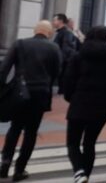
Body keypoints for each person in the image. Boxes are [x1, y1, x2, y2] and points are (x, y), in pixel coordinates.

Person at [63, 26, 106, 183]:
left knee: (72, 143)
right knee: (89, 143)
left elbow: (68, 81)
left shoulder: (79, 56)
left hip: (79, 104)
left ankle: (79, 171)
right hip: (101, 108)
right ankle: (85, 176)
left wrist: (71, 97)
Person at [0, 21, 61, 182]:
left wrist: (3, 89)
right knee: (31, 132)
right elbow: (57, 72)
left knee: (14, 128)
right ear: (49, 33)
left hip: (19, 93)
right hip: (40, 94)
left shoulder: (20, 44)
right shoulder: (54, 48)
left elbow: (4, 69)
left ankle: (5, 163)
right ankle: (19, 170)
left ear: (35, 30)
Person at [53, 13, 78, 94]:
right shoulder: (60, 32)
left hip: (63, 62)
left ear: (60, 21)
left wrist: (60, 62)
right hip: (62, 61)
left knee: (62, 83)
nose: (53, 22)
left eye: (55, 20)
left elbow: (66, 49)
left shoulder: (66, 32)